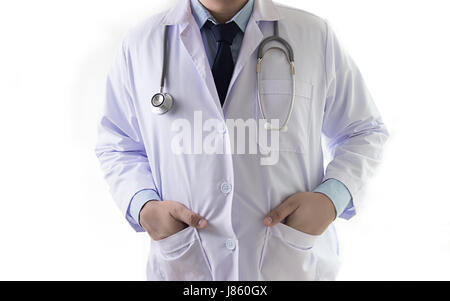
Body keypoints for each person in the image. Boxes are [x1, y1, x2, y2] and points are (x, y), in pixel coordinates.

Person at [95, 0, 388, 281]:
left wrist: (331, 198)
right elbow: (118, 143)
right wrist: (143, 205)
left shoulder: (313, 35)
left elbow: (363, 131)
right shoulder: (141, 44)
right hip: (185, 262)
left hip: (289, 262)